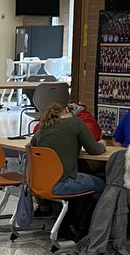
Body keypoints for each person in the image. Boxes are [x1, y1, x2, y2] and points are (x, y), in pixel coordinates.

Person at [31, 101, 106, 239]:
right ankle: (83, 230)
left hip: (41, 184)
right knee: (102, 185)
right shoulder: (76, 123)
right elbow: (94, 150)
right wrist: (102, 144)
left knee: (78, 184)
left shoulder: (43, 127)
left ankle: (66, 224)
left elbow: (33, 145)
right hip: (63, 183)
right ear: (67, 110)